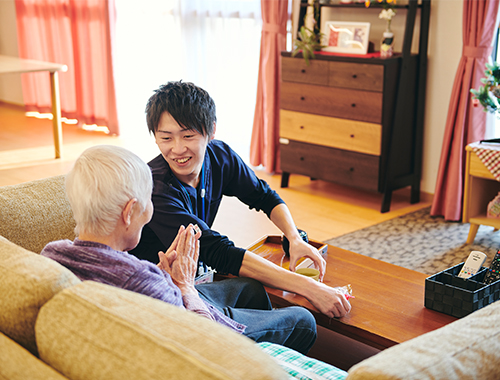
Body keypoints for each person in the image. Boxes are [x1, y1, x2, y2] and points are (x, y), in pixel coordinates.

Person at [41, 145, 317, 355]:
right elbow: (200, 336)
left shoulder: (52, 254)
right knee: (303, 321)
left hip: (157, 300)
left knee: (250, 289)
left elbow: (112, 276)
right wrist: (183, 285)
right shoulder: (140, 280)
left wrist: (161, 274)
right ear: (129, 213)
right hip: (197, 329)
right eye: (147, 202)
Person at [130, 81, 352, 319]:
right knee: (301, 320)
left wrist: (294, 238)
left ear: (210, 130)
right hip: (159, 293)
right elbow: (219, 252)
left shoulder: (219, 156)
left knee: (254, 290)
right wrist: (310, 287)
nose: (178, 149)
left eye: (188, 135)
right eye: (166, 138)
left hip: (192, 277)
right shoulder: (155, 187)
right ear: (155, 138)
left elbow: (263, 195)